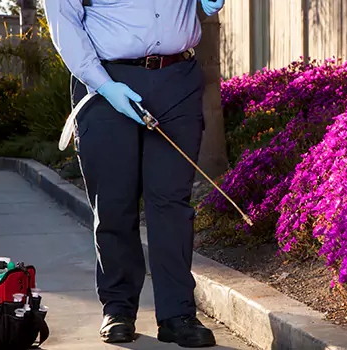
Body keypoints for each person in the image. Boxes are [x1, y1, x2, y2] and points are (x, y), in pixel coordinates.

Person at [44, 0, 224, 347]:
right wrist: (103, 84)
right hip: (104, 79)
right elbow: (64, 21)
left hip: (177, 79)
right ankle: (118, 308)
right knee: (113, 201)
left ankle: (177, 314)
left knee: (171, 202)